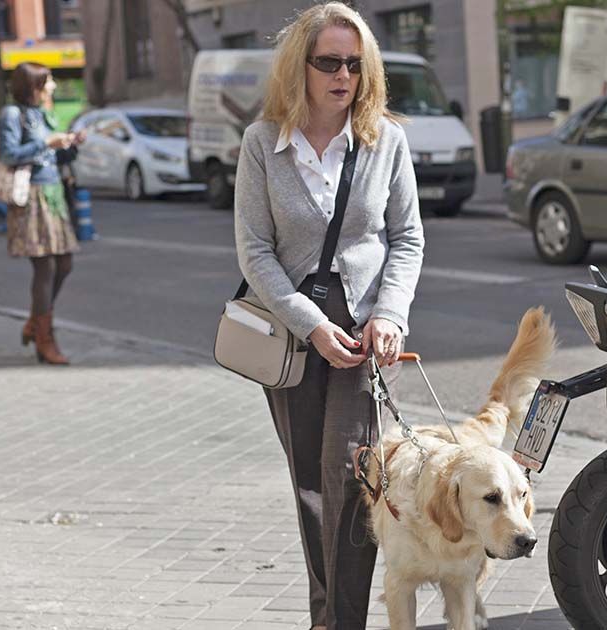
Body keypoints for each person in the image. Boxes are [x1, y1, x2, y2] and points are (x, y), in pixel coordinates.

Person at [234, 3, 424, 628]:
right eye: (329, 63)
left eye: (355, 63)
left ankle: (340, 622)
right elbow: (255, 249)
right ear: (301, 68)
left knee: (356, 484)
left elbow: (407, 238)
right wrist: (308, 323)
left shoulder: (385, 139)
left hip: (370, 334)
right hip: (295, 335)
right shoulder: (263, 143)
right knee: (312, 489)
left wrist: (391, 314)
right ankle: (331, 618)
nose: (344, 75)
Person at [0, 62, 86, 365]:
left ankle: (35, 323)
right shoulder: (13, 114)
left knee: (65, 263)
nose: (53, 87)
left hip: (54, 194)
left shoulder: (42, 114)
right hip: (31, 197)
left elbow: (53, 155)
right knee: (45, 267)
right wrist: (46, 141)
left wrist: (70, 145)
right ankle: (45, 338)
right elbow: (8, 154)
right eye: (48, 82)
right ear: (33, 85)